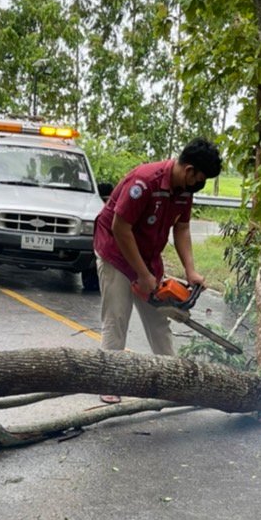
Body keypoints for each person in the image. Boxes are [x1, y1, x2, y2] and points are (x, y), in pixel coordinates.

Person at [93, 138, 222, 400]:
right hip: (116, 252)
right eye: (200, 178)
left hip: (148, 254)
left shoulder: (184, 191)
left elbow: (182, 227)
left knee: (159, 319)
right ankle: (110, 382)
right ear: (189, 171)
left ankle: (172, 380)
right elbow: (120, 228)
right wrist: (141, 275)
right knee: (117, 317)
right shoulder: (144, 182)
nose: (199, 184)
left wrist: (190, 271)